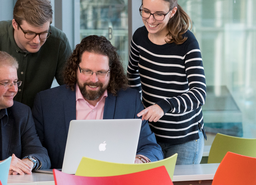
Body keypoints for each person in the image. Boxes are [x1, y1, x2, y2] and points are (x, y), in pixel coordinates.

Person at [32, 35, 163, 169]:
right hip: (65, 184)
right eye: (87, 71)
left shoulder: (129, 100)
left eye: (101, 72)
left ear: (111, 72)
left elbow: (151, 147)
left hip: (113, 183)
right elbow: (34, 150)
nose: (94, 80)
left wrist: (139, 160)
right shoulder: (47, 102)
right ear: (76, 68)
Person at [127, 0, 206, 165]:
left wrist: (165, 106)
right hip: (149, 139)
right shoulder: (139, 38)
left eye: (159, 14)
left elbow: (199, 94)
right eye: (145, 11)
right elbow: (132, 79)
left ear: (172, 12)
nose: (151, 19)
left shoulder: (187, 43)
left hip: (184, 139)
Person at [0, 0, 72, 107]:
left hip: (37, 118)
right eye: (29, 33)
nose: (36, 41)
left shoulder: (59, 42)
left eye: (43, 34)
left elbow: (72, 89)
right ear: (15, 24)